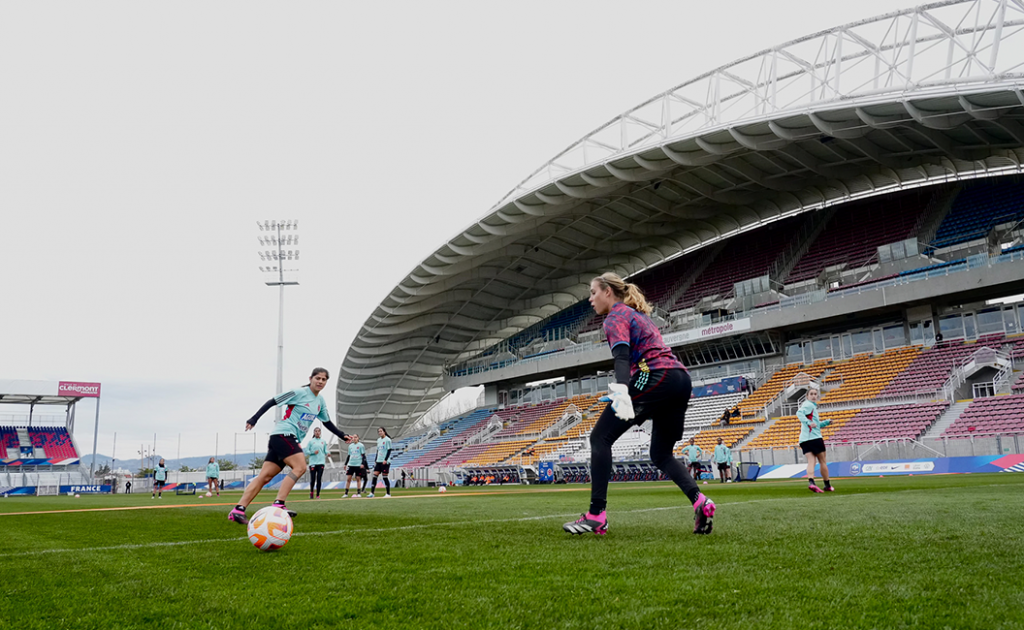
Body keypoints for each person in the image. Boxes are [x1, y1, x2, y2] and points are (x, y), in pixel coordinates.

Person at [563, 272, 716, 536]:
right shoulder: (639, 316)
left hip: (656, 376)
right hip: (680, 379)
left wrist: (622, 389)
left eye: (593, 292)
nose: (590, 299)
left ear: (608, 292)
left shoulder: (615, 317)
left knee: (600, 438)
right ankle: (700, 501)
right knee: (660, 453)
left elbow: (621, 357)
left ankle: (596, 515)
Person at [228, 367, 351, 525]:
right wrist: (254, 418)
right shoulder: (299, 392)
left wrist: (342, 435)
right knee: (300, 467)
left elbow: (326, 422)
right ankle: (279, 504)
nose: (320, 382)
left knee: (265, 477)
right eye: (317, 378)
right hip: (284, 435)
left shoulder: (320, 401)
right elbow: (273, 401)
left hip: (281, 439)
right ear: (310, 378)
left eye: (324, 379)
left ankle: (238, 510)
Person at [799, 387, 834, 493]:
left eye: (815, 394)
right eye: (812, 394)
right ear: (807, 396)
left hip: (804, 439)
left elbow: (816, 425)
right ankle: (827, 485)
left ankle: (811, 482)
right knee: (822, 461)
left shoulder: (811, 408)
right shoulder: (808, 405)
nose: (814, 396)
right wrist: (809, 423)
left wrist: (826, 422)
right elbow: (799, 413)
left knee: (811, 461)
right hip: (815, 438)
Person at [366, 427, 393, 498]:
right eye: (379, 431)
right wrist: (375, 460)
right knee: (374, 476)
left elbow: (389, 450)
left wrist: (385, 459)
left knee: (385, 477)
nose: (380, 432)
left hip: (385, 462)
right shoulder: (378, 440)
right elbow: (378, 451)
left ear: (384, 431)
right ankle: (372, 493)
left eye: (381, 431)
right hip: (378, 461)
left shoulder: (387, 440)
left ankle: (388, 493)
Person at [304, 427, 328, 499]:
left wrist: (328, 453)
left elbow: (325, 450)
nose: (317, 432)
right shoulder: (311, 442)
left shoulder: (323, 441)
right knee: (313, 479)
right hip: (313, 463)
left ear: (320, 433)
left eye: (318, 431)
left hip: (321, 462)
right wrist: (313, 452)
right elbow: (306, 451)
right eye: (316, 431)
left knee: (319, 479)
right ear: (314, 432)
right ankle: (311, 492)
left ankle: (318, 494)